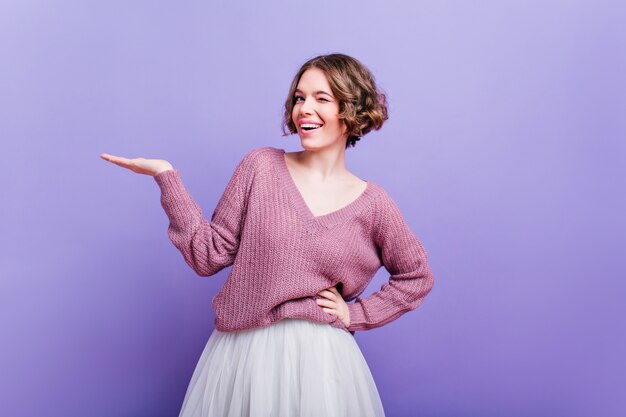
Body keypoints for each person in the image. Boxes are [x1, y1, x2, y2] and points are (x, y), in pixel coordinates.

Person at [100, 53, 435, 417]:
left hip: (321, 366)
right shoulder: (260, 166)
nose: (304, 108)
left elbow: (416, 276)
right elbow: (207, 255)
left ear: (351, 111)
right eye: (299, 98)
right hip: (241, 357)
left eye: (322, 98)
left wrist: (356, 315)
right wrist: (166, 177)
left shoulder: (373, 205)